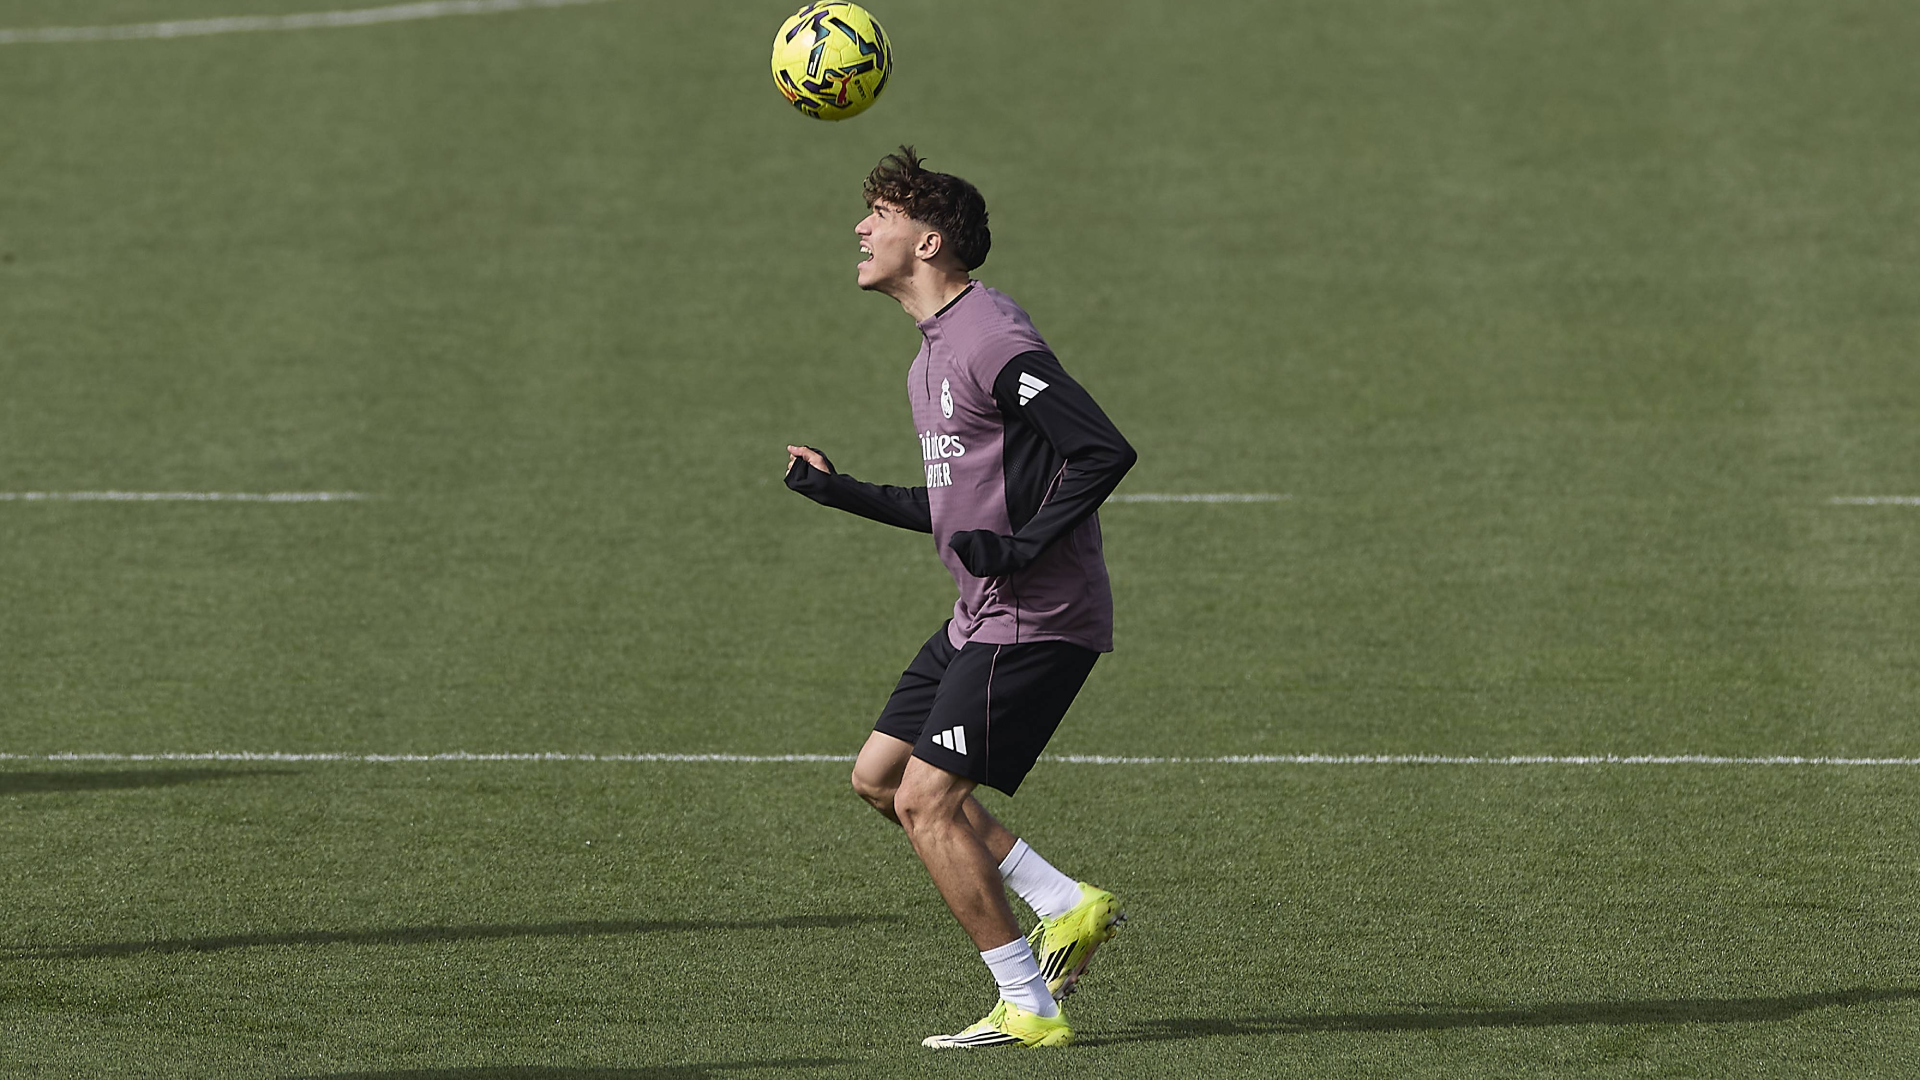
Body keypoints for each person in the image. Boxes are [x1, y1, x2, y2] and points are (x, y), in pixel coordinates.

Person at [783, 146, 1138, 1049]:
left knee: (925, 803)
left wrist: (1022, 547)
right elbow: (951, 508)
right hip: (979, 614)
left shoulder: (990, 338)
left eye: (882, 215)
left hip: (1034, 618)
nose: (861, 229)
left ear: (929, 240)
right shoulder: (929, 360)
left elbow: (1100, 447)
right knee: (879, 779)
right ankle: (1064, 900)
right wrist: (843, 491)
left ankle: (1030, 1004)